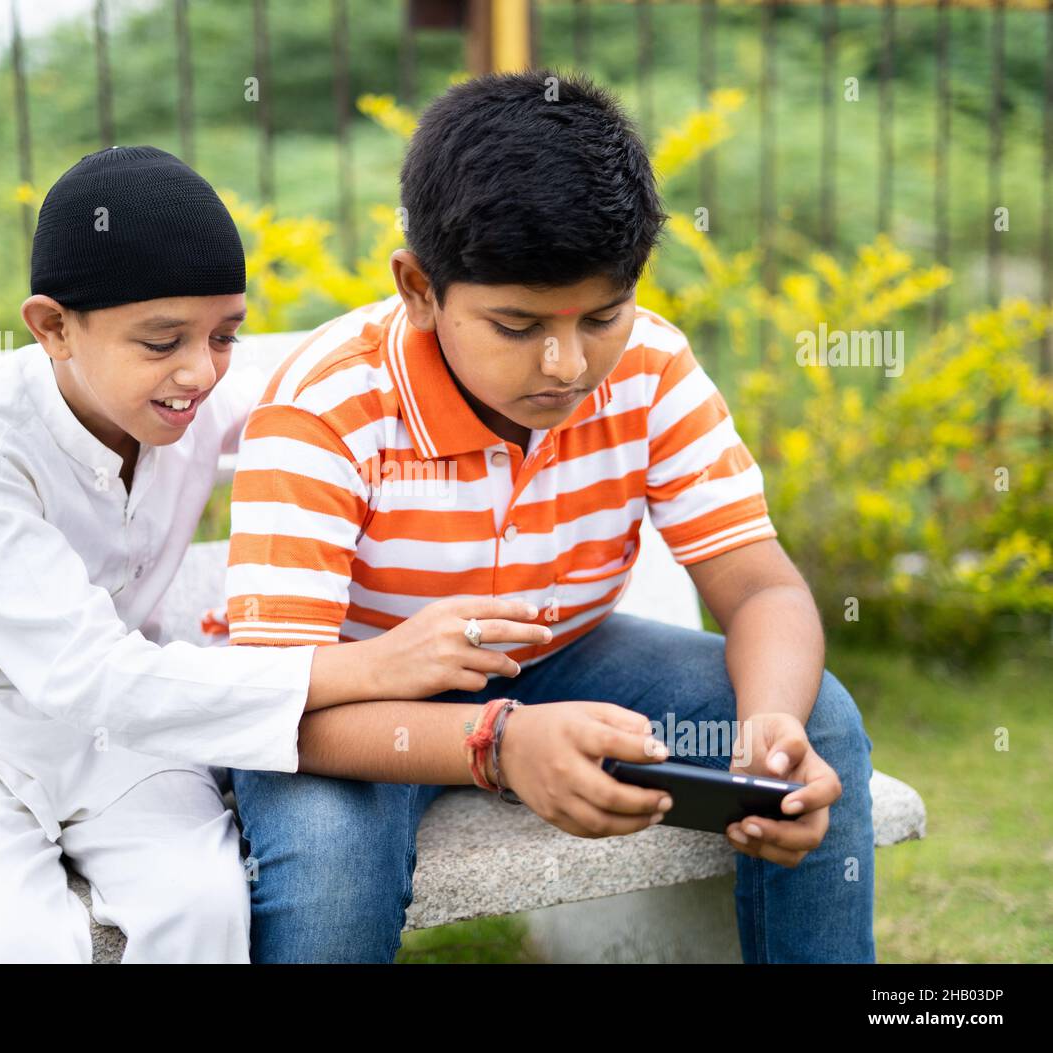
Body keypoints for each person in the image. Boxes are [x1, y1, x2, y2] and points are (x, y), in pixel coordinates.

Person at [0, 145, 544, 964]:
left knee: (205, 909)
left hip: (123, 737)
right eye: (162, 340)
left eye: (225, 334)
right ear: (53, 326)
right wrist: (371, 666)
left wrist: (485, 324)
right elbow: (88, 674)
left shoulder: (190, 394)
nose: (199, 372)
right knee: (20, 944)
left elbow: (331, 391)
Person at [223, 71, 877, 964]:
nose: (567, 364)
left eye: (601, 315)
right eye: (518, 324)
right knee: (333, 877)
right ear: (419, 287)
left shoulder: (649, 368)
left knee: (817, 723)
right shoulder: (328, 407)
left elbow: (760, 585)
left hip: (557, 657)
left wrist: (770, 728)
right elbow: (270, 700)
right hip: (345, 698)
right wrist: (495, 743)